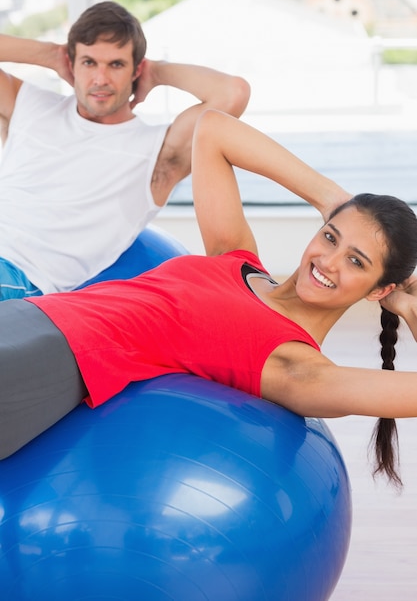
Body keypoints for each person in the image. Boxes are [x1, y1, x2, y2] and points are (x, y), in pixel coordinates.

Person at [1, 109, 417, 490]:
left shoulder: (295, 366)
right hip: (29, 314)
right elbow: (214, 129)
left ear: (379, 289)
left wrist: (411, 308)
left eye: (356, 261)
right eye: (330, 236)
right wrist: (334, 200)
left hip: (52, 360)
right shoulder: (236, 257)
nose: (328, 261)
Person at [0, 1, 250, 299]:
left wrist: (156, 74)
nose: (100, 79)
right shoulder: (28, 105)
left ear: (136, 69)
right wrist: (52, 55)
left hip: (18, 273)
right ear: (72, 63)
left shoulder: (158, 154)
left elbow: (232, 93)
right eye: (89, 62)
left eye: (116, 64)